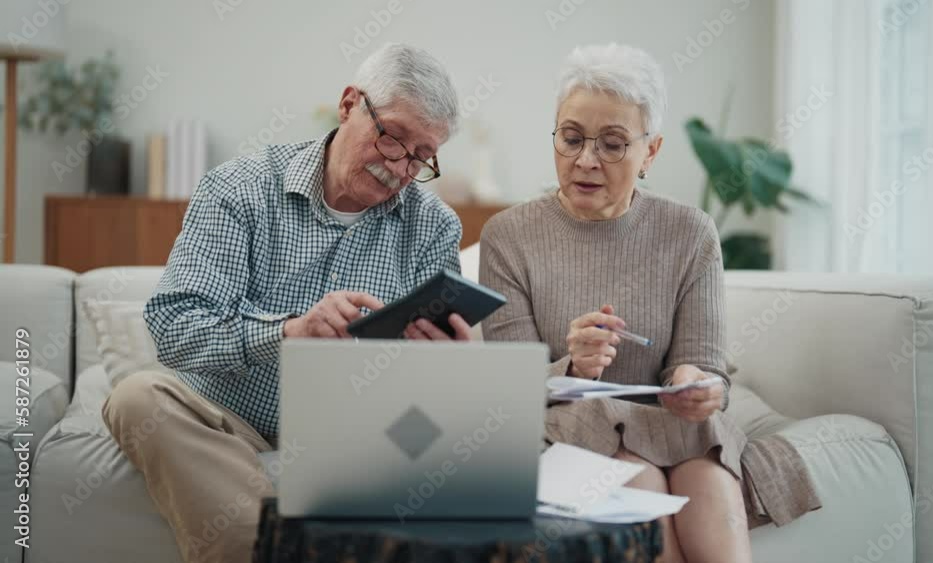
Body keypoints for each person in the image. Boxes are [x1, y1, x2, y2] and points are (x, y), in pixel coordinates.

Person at [102, 43, 473, 563]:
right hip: (228, 421)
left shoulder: (433, 227)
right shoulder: (239, 189)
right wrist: (291, 331)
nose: (400, 166)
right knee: (137, 398)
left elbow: (431, 395)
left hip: (355, 436)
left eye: (421, 155)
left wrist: (446, 365)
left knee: (451, 433)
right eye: (392, 137)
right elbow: (175, 326)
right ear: (349, 104)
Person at [480, 43, 820, 563]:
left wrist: (692, 382)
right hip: (571, 428)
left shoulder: (690, 232)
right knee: (641, 481)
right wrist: (575, 366)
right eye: (571, 138)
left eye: (613, 144)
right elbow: (509, 387)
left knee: (708, 473)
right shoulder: (509, 235)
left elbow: (704, 364)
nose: (585, 160)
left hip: (671, 426)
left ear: (651, 152)